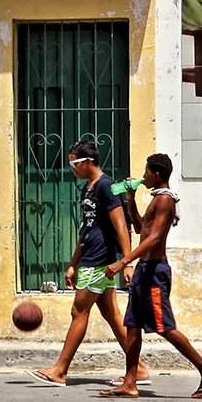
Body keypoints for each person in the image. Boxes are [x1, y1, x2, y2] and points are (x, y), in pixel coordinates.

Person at [101, 153, 202, 400]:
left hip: (154, 272)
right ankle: (130, 382)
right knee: (133, 326)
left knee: (163, 327)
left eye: (146, 172)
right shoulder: (155, 200)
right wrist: (130, 199)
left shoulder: (165, 200)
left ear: (156, 174)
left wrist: (123, 261)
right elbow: (138, 228)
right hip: (144, 271)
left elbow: (155, 238)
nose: (143, 175)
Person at [29, 140, 135, 387]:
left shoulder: (106, 187)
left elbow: (121, 226)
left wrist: (127, 262)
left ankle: (59, 371)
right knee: (110, 314)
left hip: (99, 260)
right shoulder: (88, 188)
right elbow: (86, 229)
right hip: (90, 258)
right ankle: (138, 368)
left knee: (79, 311)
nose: (72, 168)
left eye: (74, 164)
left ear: (88, 162)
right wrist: (73, 263)